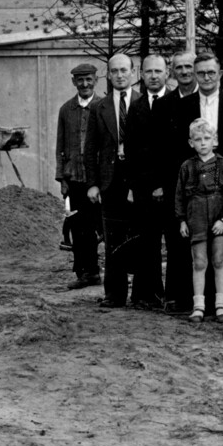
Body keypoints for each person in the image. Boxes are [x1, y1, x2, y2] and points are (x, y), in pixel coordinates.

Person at [173, 52, 223, 307]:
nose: (206, 77)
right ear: (195, 75)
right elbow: (178, 150)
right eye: (201, 73)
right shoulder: (182, 106)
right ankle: (196, 300)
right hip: (196, 190)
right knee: (198, 249)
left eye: (211, 72)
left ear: (220, 74)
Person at [85, 52, 141, 309]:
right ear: (108, 75)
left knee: (141, 236)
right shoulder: (99, 107)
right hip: (110, 181)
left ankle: (142, 294)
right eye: (114, 71)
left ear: (133, 72)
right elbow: (90, 149)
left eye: (124, 70)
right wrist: (93, 183)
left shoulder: (144, 103)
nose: (119, 75)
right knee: (112, 238)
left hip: (139, 180)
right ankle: (115, 294)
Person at [175, 119, 223, 324]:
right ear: (190, 142)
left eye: (207, 139)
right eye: (198, 139)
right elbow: (179, 196)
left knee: (219, 259)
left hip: (219, 219)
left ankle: (221, 305)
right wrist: (182, 220)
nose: (203, 143)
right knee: (199, 262)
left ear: (215, 141)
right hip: (197, 219)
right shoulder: (186, 166)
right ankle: (198, 307)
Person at [124, 53, 170, 307]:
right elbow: (130, 150)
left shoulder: (175, 102)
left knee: (174, 241)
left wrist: (164, 183)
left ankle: (174, 294)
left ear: (167, 74)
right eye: (149, 72)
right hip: (143, 187)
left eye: (158, 71)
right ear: (142, 75)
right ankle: (147, 294)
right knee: (148, 241)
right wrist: (135, 186)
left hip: (171, 185)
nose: (154, 76)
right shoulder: (137, 107)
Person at [55, 63, 102, 290]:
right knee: (78, 227)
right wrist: (62, 179)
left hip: (99, 181)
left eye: (89, 79)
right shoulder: (66, 110)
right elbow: (60, 147)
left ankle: (106, 272)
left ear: (96, 80)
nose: (85, 84)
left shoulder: (103, 106)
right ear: (74, 82)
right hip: (74, 179)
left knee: (99, 226)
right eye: (80, 80)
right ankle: (85, 272)